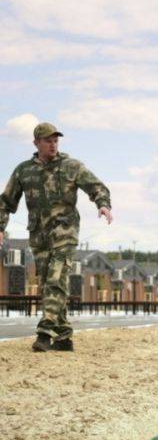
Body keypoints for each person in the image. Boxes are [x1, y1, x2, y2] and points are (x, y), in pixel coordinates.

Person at [0, 122, 112, 352]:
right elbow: (6, 202)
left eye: (55, 140)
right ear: (36, 143)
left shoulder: (71, 166)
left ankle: (45, 332)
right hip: (39, 236)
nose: (52, 144)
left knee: (55, 278)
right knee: (49, 285)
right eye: (47, 140)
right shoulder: (23, 170)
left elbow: (96, 187)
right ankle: (64, 337)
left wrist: (103, 205)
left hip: (65, 232)